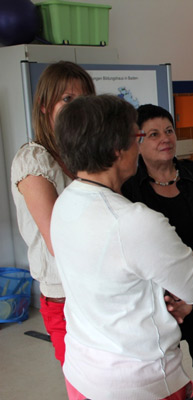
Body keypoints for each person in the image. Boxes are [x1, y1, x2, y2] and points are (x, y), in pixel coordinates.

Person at [50, 94, 193, 400]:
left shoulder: (64, 202)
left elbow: (113, 280)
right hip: (139, 381)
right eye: (137, 136)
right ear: (117, 148)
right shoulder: (134, 221)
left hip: (83, 371)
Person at [121, 104, 193, 397]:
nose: (166, 138)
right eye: (154, 133)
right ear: (138, 141)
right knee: (161, 359)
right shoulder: (131, 188)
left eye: (169, 130)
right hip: (157, 291)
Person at [10, 61, 95, 365]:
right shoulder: (34, 158)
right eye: (67, 99)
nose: (77, 108)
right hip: (65, 294)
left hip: (97, 288)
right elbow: (56, 240)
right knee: (85, 383)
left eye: (83, 99)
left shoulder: (81, 155)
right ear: (45, 107)